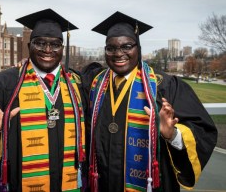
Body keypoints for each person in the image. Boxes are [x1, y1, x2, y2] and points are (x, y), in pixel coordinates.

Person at [0, 8, 86, 192]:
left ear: (62, 49)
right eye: (40, 43)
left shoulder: (76, 85)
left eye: (55, 44)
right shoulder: (4, 84)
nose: (47, 50)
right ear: (29, 46)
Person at [83, 11, 217, 192]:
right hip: (102, 183)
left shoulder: (164, 86)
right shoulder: (94, 84)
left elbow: (203, 130)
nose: (118, 53)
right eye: (111, 48)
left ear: (138, 47)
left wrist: (173, 135)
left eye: (126, 46)